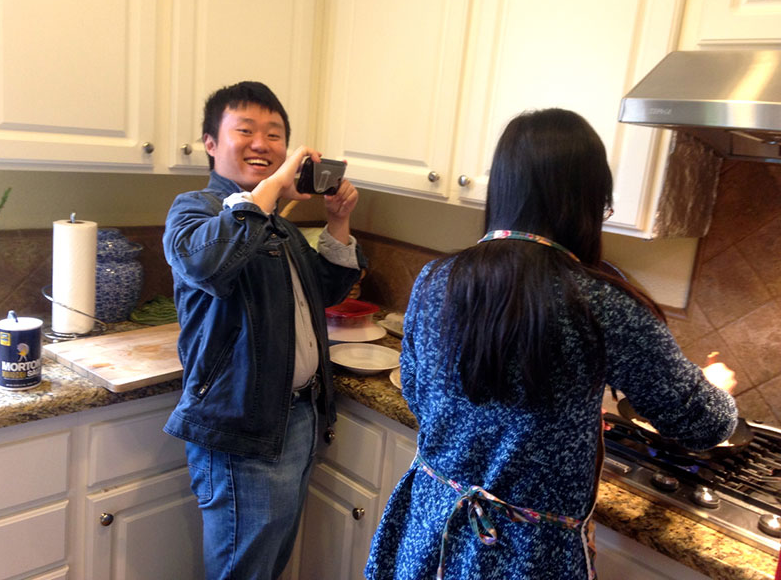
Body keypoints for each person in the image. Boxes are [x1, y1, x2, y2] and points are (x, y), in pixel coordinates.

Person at [364, 108, 738, 580]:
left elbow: (417, 392)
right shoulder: (604, 304)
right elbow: (703, 424)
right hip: (527, 554)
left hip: (431, 526)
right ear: (588, 201)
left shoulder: (435, 279)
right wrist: (714, 385)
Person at [163, 80, 365, 580]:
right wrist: (270, 189)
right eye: (246, 130)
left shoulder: (280, 224)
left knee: (266, 565)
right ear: (211, 143)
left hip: (299, 419)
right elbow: (209, 264)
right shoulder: (194, 210)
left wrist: (337, 222)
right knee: (243, 569)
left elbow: (324, 291)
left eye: (274, 135)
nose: (262, 144)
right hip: (241, 427)